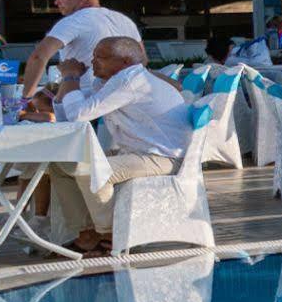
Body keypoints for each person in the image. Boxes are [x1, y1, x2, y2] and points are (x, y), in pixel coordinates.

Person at [25, 36, 191, 255]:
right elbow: (67, 115)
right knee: (60, 164)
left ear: (124, 62)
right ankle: (86, 233)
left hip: (164, 157)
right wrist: (68, 83)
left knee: (93, 170)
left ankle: (110, 234)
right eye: (93, 56)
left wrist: (71, 76)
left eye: (100, 58)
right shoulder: (109, 81)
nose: (93, 62)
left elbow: (78, 115)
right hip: (137, 152)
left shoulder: (130, 81)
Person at [32, 0, 144, 95]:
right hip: (125, 94)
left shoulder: (73, 21)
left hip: (82, 95)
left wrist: (26, 96)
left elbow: (38, 57)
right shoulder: (125, 21)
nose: (56, 2)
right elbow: (142, 60)